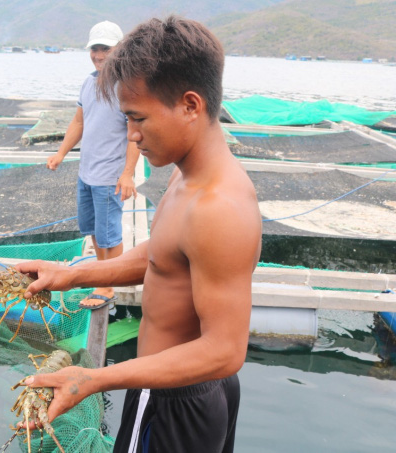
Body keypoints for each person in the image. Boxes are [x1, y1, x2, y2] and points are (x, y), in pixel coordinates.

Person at [15, 15, 262, 453]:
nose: (131, 134)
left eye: (137, 118)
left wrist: (94, 379)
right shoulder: (188, 175)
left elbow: (225, 350)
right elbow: (164, 255)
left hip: (177, 403)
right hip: (167, 389)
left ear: (190, 105)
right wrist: (71, 275)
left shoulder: (220, 206)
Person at [46, 20, 140, 309]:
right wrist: (61, 153)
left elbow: (134, 136)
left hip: (109, 177)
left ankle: (108, 284)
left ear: (119, 49)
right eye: (95, 49)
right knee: (93, 231)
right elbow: (79, 121)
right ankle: (103, 275)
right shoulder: (89, 82)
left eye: (105, 49)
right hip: (86, 174)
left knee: (109, 234)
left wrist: (127, 175)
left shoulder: (128, 87)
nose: (99, 55)